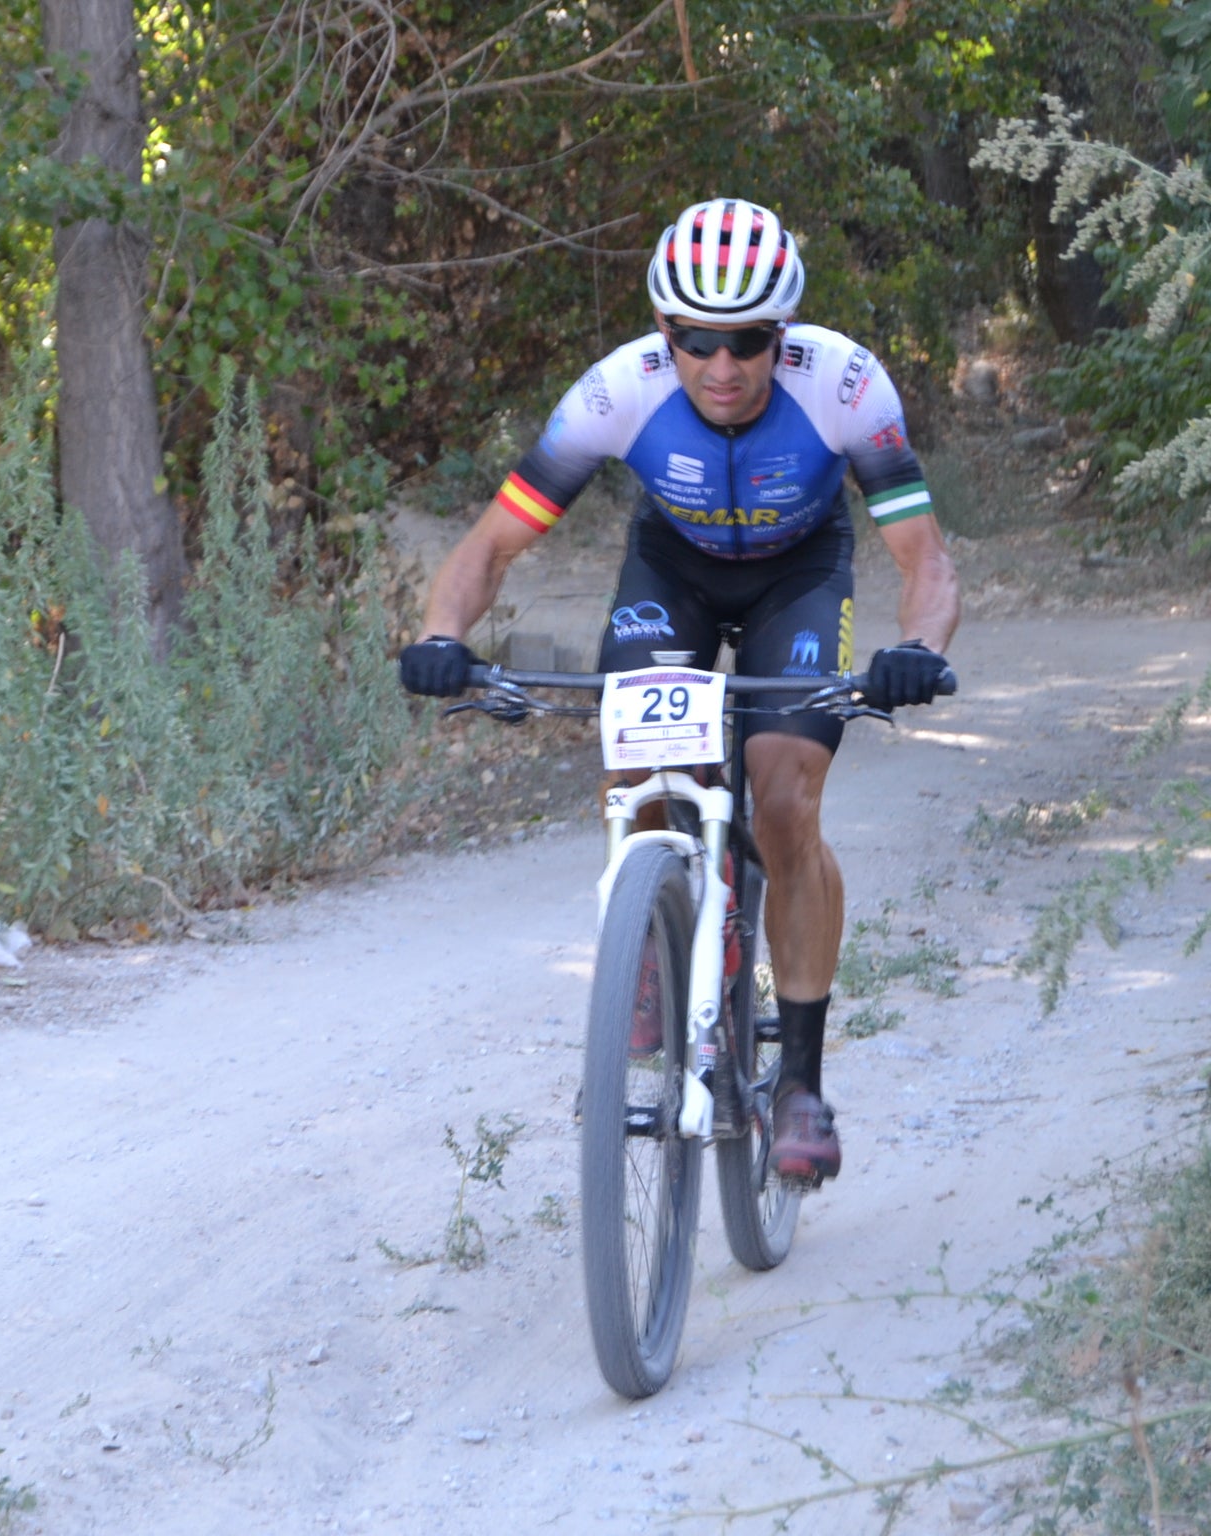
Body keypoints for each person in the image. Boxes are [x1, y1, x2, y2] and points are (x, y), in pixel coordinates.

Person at [398, 198, 960, 1184]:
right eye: (698, 339)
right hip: (675, 574)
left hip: (800, 575)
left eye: (747, 339)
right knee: (646, 759)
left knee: (785, 799)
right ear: (666, 331)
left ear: (781, 335)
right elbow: (491, 545)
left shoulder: (846, 385)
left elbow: (926, 558)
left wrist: (917, 646)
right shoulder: (616, 393)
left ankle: (803, 1085)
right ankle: (653, 943)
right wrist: (442, 634)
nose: (723, 365)